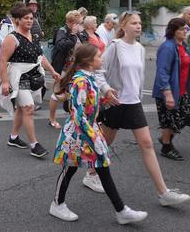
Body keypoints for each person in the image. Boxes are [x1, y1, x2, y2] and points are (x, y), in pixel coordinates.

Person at [50, 43, 148, 225]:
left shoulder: (90, 78)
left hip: (88, 130)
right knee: (70, 168)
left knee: (101, 165)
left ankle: (121, 210)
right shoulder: (81, 80)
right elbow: (78, 114)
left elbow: (89, 104)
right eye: (99, 56)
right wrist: (93, 137)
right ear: (89, 61)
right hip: (78, 133)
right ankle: (57, 203)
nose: (102, 59)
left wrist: (106, 101)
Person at [100, 12, 190, 204]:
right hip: (116, 102)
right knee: (105, 142)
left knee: (147, 144)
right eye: (134, 23)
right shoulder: (114, 47)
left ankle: (163, 192)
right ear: (123, 27)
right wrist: (107, 90)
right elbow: (99, 73)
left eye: (140, 23)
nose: (138, 26)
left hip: (133, 103)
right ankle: (91, 173)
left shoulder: (141, 49)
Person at [0, 4, 60, 159]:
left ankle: (13, 138)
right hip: (17, 77)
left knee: (22, 109)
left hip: (32, 77)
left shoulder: (35, 36)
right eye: (25, 18)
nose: (29, 21)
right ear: (17, 20)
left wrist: (52, 71)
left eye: (31, 18)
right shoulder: (11, 38)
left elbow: (41, 57)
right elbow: (2, 61)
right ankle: (34, 145)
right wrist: (5, 82)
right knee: (28, 108)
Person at [153, 17, 190, 161]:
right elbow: (162, 71)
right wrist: (167, 93)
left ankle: (165, 138)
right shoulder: (167, 47)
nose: (185, 31)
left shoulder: (182, 45)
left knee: (185, 118)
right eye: (182, 29)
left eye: (186, 28)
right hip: (169, 91)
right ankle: (166, 147)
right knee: (169, 120)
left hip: (181, 90)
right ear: (173, 31)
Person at [49, 10, 88, 130]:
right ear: (71, 23)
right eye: (78, 23)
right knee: (57, 93)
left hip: (76, 67)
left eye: (80, 23)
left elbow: (85, 43)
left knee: (76, 92)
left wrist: (81, 33)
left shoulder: (77, 32)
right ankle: (52, 119)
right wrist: (72, 35)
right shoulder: (63, 31)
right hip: (64, 67)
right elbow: (62, 45)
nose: (80, 26)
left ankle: (75, 117)